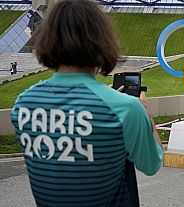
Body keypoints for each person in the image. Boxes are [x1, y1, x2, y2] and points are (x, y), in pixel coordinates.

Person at [10, 0, 162, 206]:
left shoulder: (23, 105)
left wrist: (101, 99)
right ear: (101, 42)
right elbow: (152, 164)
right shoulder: (127, 109)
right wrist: (147, 117)